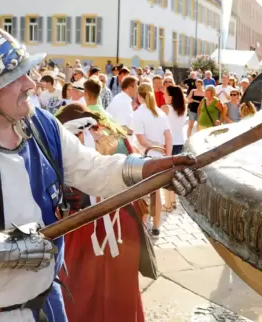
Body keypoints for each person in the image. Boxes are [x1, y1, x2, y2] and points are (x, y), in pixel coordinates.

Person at [0, 23, 204, 322]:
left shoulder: (41, 124)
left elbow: (91, 169)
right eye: (15, 77)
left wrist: (150, 169)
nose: (30, 84)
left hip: (48, 306)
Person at [56, 104, 146, 322]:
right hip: (115, 227)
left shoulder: (63, 149)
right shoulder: (121, 140)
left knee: (83, 295)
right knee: (106, 294)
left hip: (86, 230)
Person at [133, 83, 172, 238]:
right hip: (160, 158)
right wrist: (167, 156)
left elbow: (141, 141)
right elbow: (169, 137)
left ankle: (143, 228)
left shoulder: (138, 113)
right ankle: (156, 227)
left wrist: (156, 149)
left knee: (143, 195)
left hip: (145, 159)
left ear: (139, 95)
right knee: (156, 194)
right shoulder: (160, 113)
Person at [161, 85, 187, 212]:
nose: (163, 96)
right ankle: (173, 202)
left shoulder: (165, 108)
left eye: (165, 94)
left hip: (169, 143)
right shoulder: (182, 108)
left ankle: (168, 204)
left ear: (170, 97)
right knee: (175, 174)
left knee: (166, 176)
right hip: (180, 142)